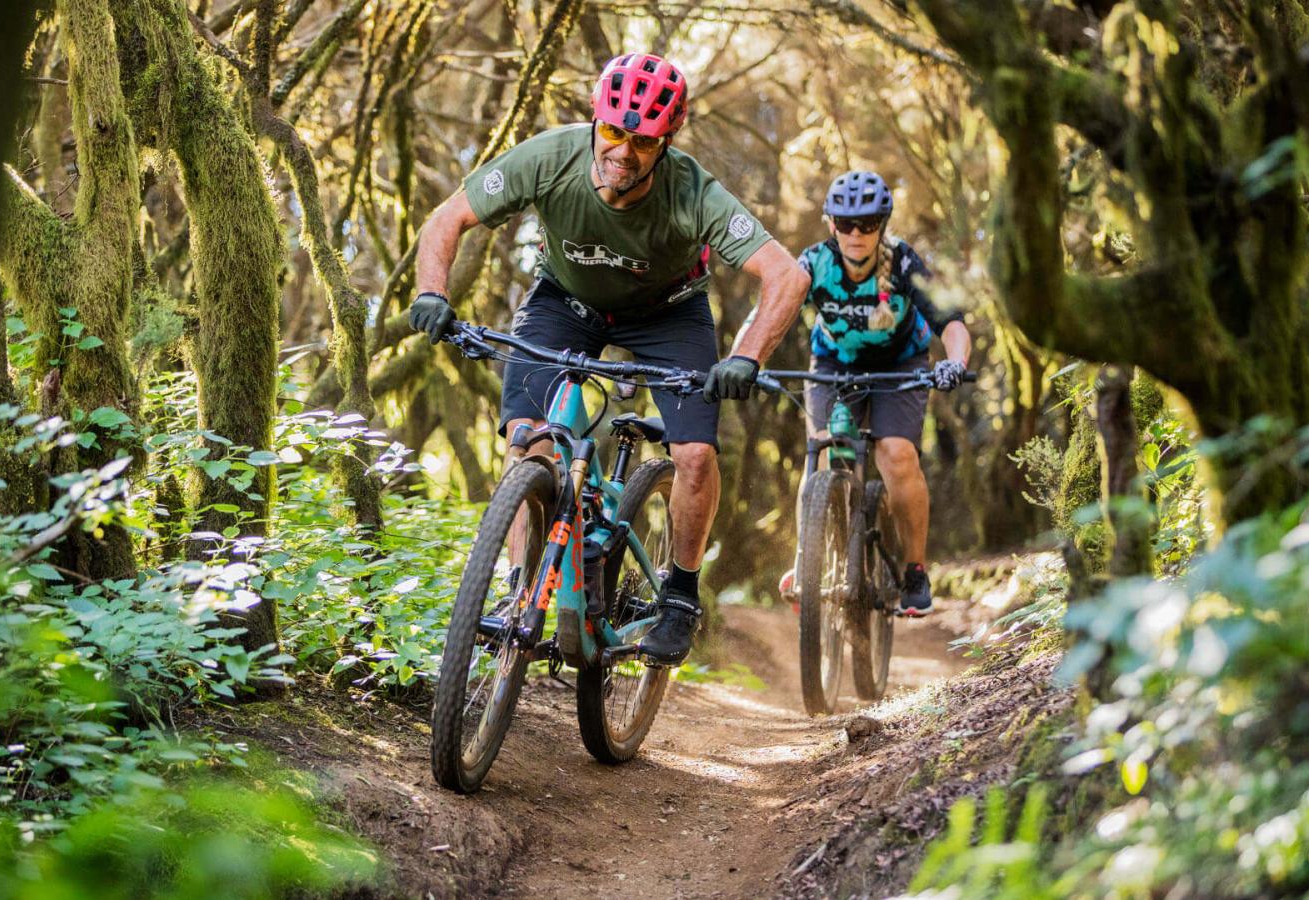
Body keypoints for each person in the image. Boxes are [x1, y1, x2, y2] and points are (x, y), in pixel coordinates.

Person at [407, 53, 810, 664]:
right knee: (528, 439)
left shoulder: (692, 191)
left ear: (666, 142)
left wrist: (747, 356)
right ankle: (522, 591)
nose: (625, 150)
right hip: (564, 302)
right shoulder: (549, 158)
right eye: (615, 132)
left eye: (644, 140)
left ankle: (678, 595)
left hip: (668, 313)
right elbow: (446, 220)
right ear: (596, 122)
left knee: (695, 455)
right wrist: (433, 292)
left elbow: (785, 275)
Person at [769, 170, 971, 615]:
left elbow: (951, 323)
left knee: (896, 454)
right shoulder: (815, 262)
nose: (855, 234)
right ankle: (809, 561)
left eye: (867, 224)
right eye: (844, 224)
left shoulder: (903, 264)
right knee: (822, 451)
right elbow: (772, 311)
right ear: (831, 224)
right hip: (834, 364)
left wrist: (955, 362)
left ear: (882, 224)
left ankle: (915, 567)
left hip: (900, 365)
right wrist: (746, 359)